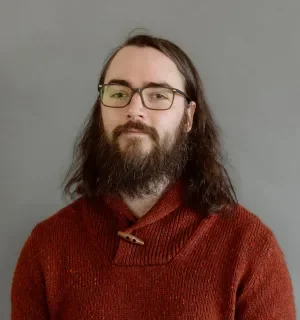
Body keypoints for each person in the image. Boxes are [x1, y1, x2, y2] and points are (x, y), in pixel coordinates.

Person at [11, 33, 296, 319]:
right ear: (100, 110)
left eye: (158, 95)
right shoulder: (46, 247)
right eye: (118, 93)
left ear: (188, 117)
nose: (134, 110)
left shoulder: (250, 249)